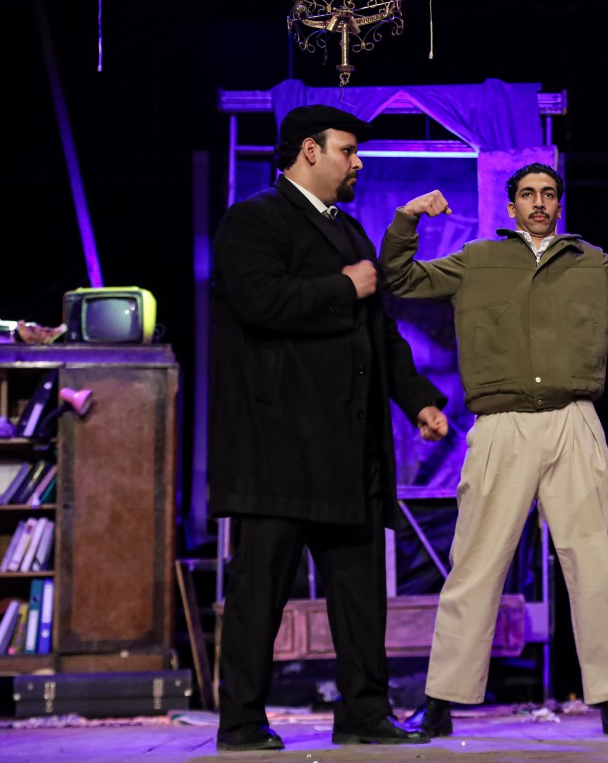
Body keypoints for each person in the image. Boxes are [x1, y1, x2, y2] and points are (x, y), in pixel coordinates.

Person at [377, 163, 608, 738]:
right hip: (501, 424)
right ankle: (440, 702)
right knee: (474, 564)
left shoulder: (590, 262)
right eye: (527, 194)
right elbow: (400, 278)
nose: (538, 202)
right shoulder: (477, 260)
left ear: (558, 205)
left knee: (595, 564)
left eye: (547, 194)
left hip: (574, 420)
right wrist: (408, 217)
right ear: (511, 205)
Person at [209, 104, 450, 752]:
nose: (358, 162)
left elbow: (381, 333)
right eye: (348, 150)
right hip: (280, 447)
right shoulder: (255, 219)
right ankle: (241, 721)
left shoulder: (349, 231)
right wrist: (342, 286)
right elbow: (259, 301)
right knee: (261, 590)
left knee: (360, 591)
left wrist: (418, 401)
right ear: (309, 152)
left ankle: (365, 712)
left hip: (348, 448)